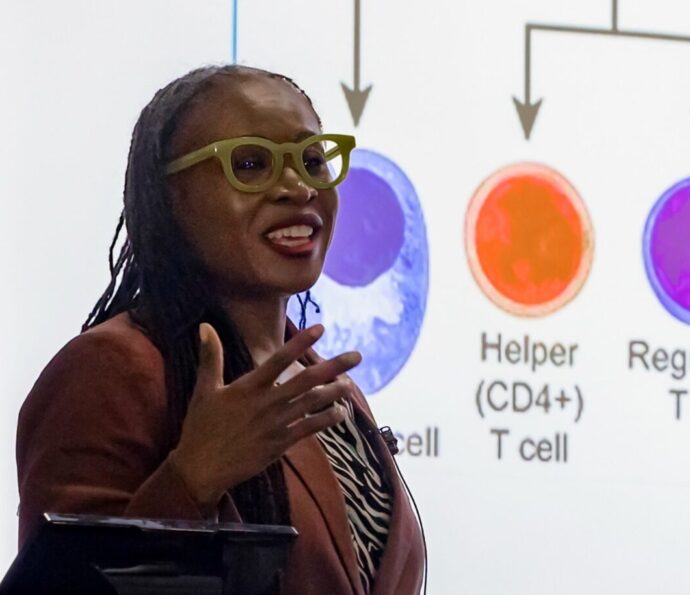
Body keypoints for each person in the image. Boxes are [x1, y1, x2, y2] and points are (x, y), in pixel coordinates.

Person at [15, 64, 424, 595]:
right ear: (171, 198)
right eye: (251, 164)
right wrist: (192, 478)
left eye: (312, 160)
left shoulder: (325, 388)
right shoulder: (110, 371)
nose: (297, 186)